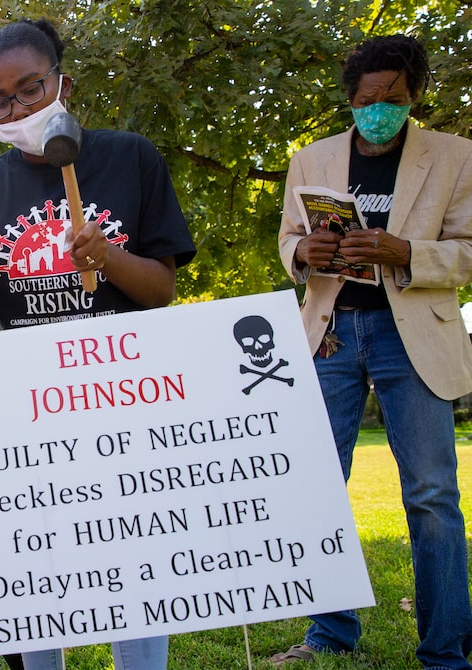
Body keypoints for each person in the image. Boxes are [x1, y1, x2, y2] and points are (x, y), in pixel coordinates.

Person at [0, 17, 196, 670]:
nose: (19, 108)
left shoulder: (131, 157)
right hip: (31, 404)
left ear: (61, 80)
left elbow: (162, 288)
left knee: (134, 561)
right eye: (0, 99)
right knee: (35, 565)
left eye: (32, 89)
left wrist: (110, 259)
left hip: (125, 394)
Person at [274, 34, 472, 669]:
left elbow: (468, 250)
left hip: (412, 335)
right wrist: (305, 253)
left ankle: (446, 649)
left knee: (431, 495)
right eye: (366, 99)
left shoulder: (456, 156)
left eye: (393, 97)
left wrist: (404, 252)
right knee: (320, 487)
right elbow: (289, 239)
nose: (378, 108)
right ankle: (329, 634)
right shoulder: (311, 159)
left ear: (413, 95)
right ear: (350, 99)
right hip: (330, 334)